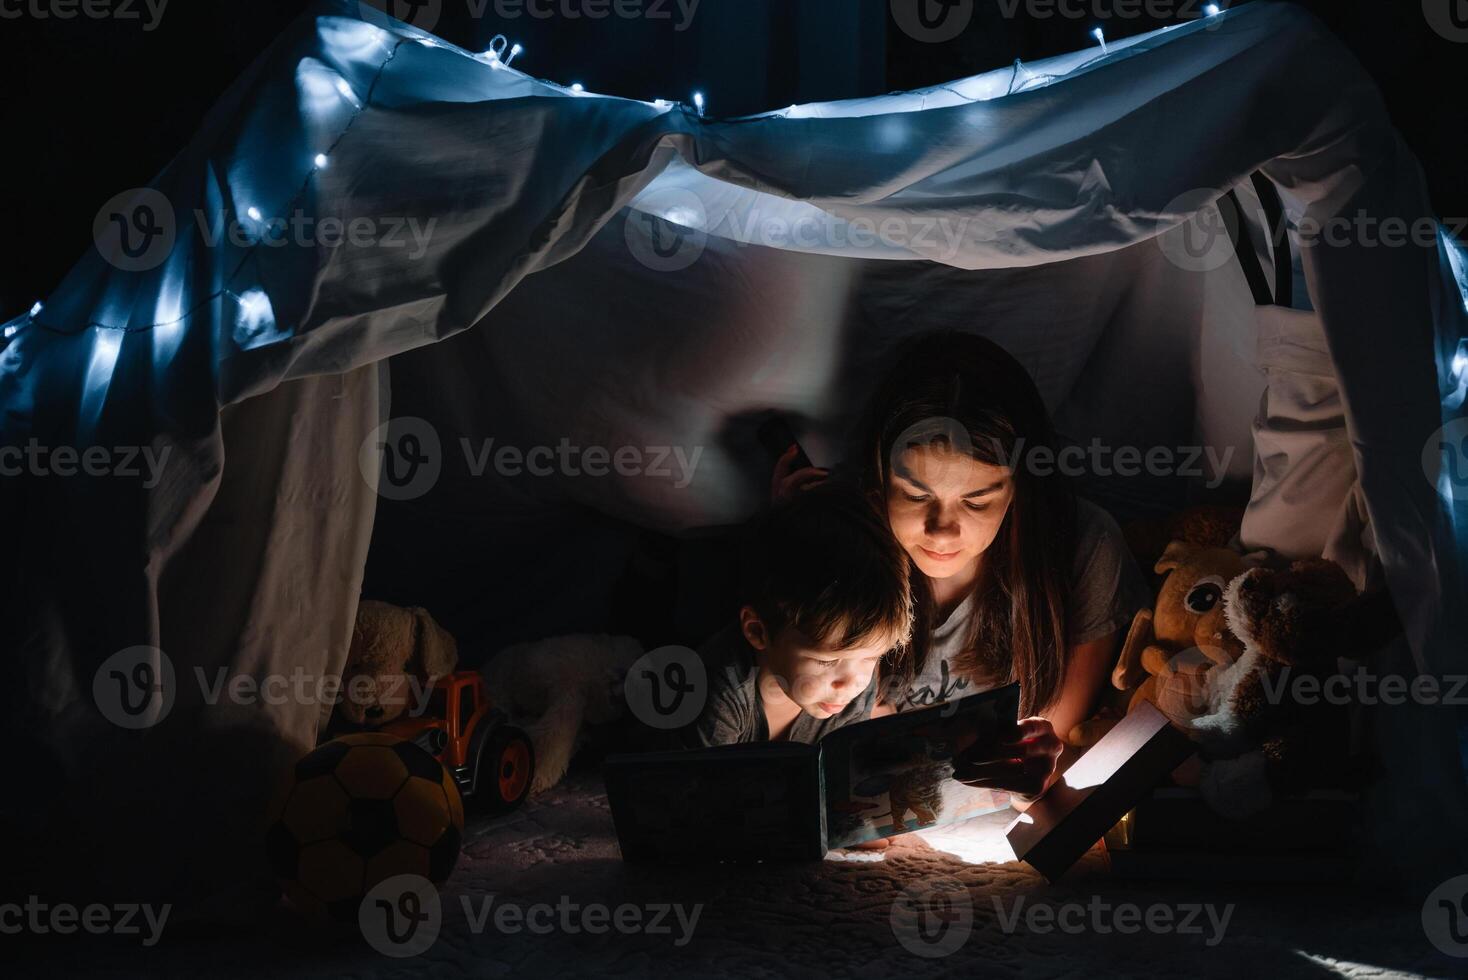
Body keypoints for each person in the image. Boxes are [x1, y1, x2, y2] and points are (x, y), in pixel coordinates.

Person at [773, 332, 1152, 795]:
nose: (941, 530)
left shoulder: (1083, 548)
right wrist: (793, 546)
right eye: (915, 495)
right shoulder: (842, 544)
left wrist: (1037, 771)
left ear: (1018, 490)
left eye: (976, 501)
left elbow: (1044, 760)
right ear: (878, 478)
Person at [680, 481, 913, 747]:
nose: (851, 683)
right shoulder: (717, 693)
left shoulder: (855, 685)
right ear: (758, 631)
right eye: (827, 662)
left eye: (871, 657)